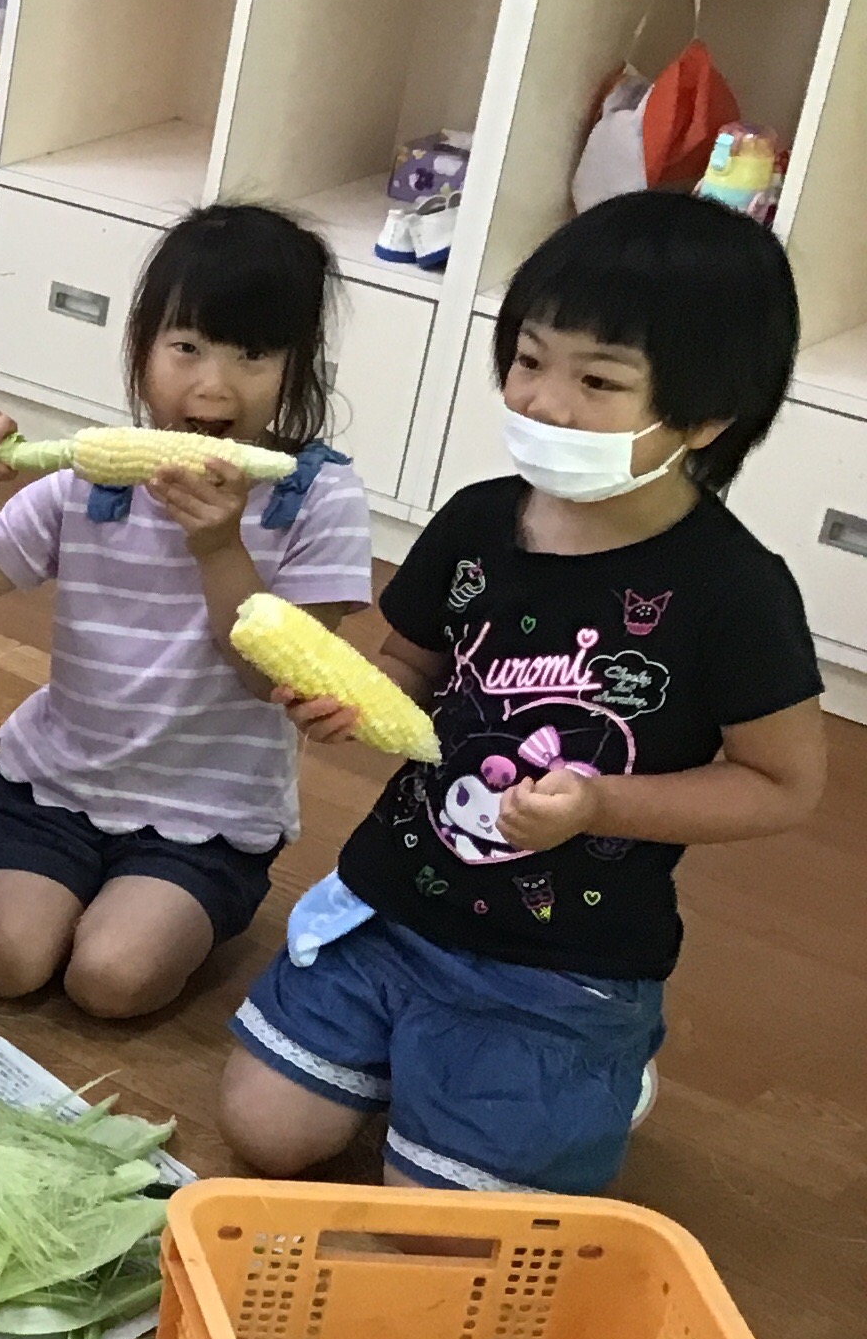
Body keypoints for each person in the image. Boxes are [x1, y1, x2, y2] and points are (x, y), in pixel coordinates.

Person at [223, 192, 827, 1191]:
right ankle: (419, 1056)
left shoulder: (734, 590)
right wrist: (351, 697)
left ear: (706, 417)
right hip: (397, 906)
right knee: (265, 1130)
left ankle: (601, 1067)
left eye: (598, 380)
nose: (543, 402)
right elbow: (409, 663)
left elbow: (782, 783)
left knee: (445, 1221)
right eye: (530, 360)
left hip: (563, 965)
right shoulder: (478, 522)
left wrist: (604, 803)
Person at [0, 202, 372, 1018]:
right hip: (58, 782)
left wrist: (220, 548)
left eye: (254, 355)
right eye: (186, 347)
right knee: (7, 962)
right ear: (142, 348)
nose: (213, 384)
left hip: (208, 812)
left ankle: (128, 903)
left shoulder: (319, 500)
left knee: (112, 982)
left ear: (297, 366)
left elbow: (265, 673)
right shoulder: (95, 484)